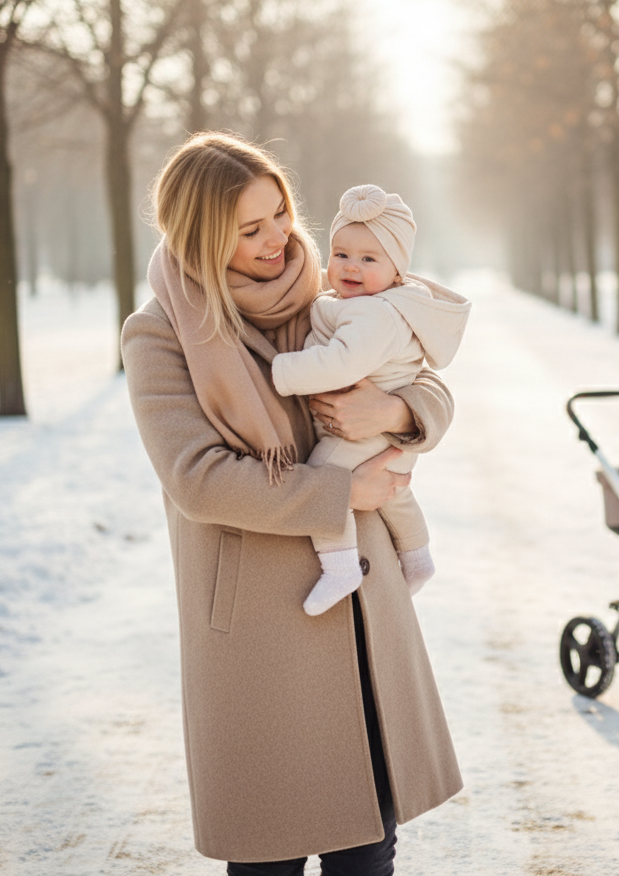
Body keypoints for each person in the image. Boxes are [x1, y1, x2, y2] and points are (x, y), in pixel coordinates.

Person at [121, 132, 462, 875]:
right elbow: (198, 478)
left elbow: (424, 375)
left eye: (280, 213)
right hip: (258, 627)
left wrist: (398, 414)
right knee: (268, 854)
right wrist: (342, 489)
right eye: (250, 229)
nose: (279, 238)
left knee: (366, 848)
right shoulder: (159, 335)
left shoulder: (331, 298)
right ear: (203, 235)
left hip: (359, 603)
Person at [271, 183, 471, 617]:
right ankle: (418, 559)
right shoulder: (372, 304)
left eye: (368, 259)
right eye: (341, 254)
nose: (351, 267)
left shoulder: (373, 313)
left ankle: (339, 564)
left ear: (397, 270)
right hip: (388, 444)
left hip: (364, 437)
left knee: (326, 478)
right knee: (396, 495)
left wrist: (282, 371)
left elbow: (341, 363)